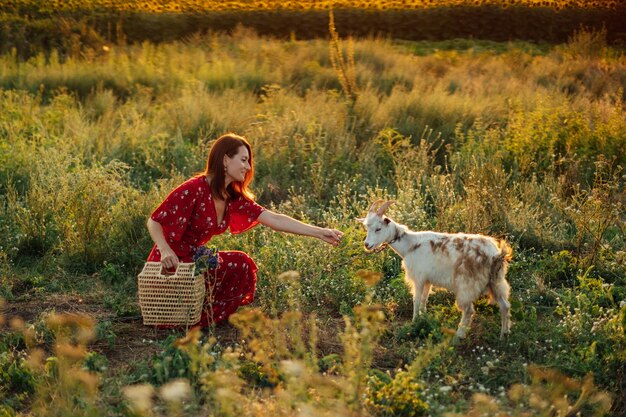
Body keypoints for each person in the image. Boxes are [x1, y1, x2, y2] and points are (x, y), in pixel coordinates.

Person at [146, 133, 343, 327]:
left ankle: (201, 313)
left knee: (241, 263)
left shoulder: (231, 197)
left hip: (195, 260)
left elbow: (274, 218)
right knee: (217, 267)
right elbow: (154, 221)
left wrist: (319, 232)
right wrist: (164, 249)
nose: (248, 167)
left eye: (248, 161)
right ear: (225, 159)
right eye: (243, 160)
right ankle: (184, 312)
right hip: (170, 262)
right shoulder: (194, 189)